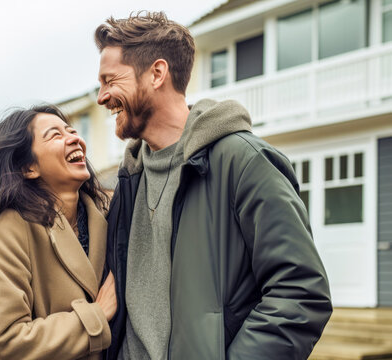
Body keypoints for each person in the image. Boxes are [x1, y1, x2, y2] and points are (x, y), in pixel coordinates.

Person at [94, 11, 332, 360]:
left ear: (157, 73)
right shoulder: (129, 178)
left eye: (110, 80)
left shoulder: (244, 162)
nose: (102, 97)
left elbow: (300, 294)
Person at [0, 105, 117, 360]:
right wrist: (97, 315)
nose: (75, 138)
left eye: (71, 130)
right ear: (29, 168)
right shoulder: (9, 230)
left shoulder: (108, 216)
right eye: (55, 135)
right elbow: (7, 343)